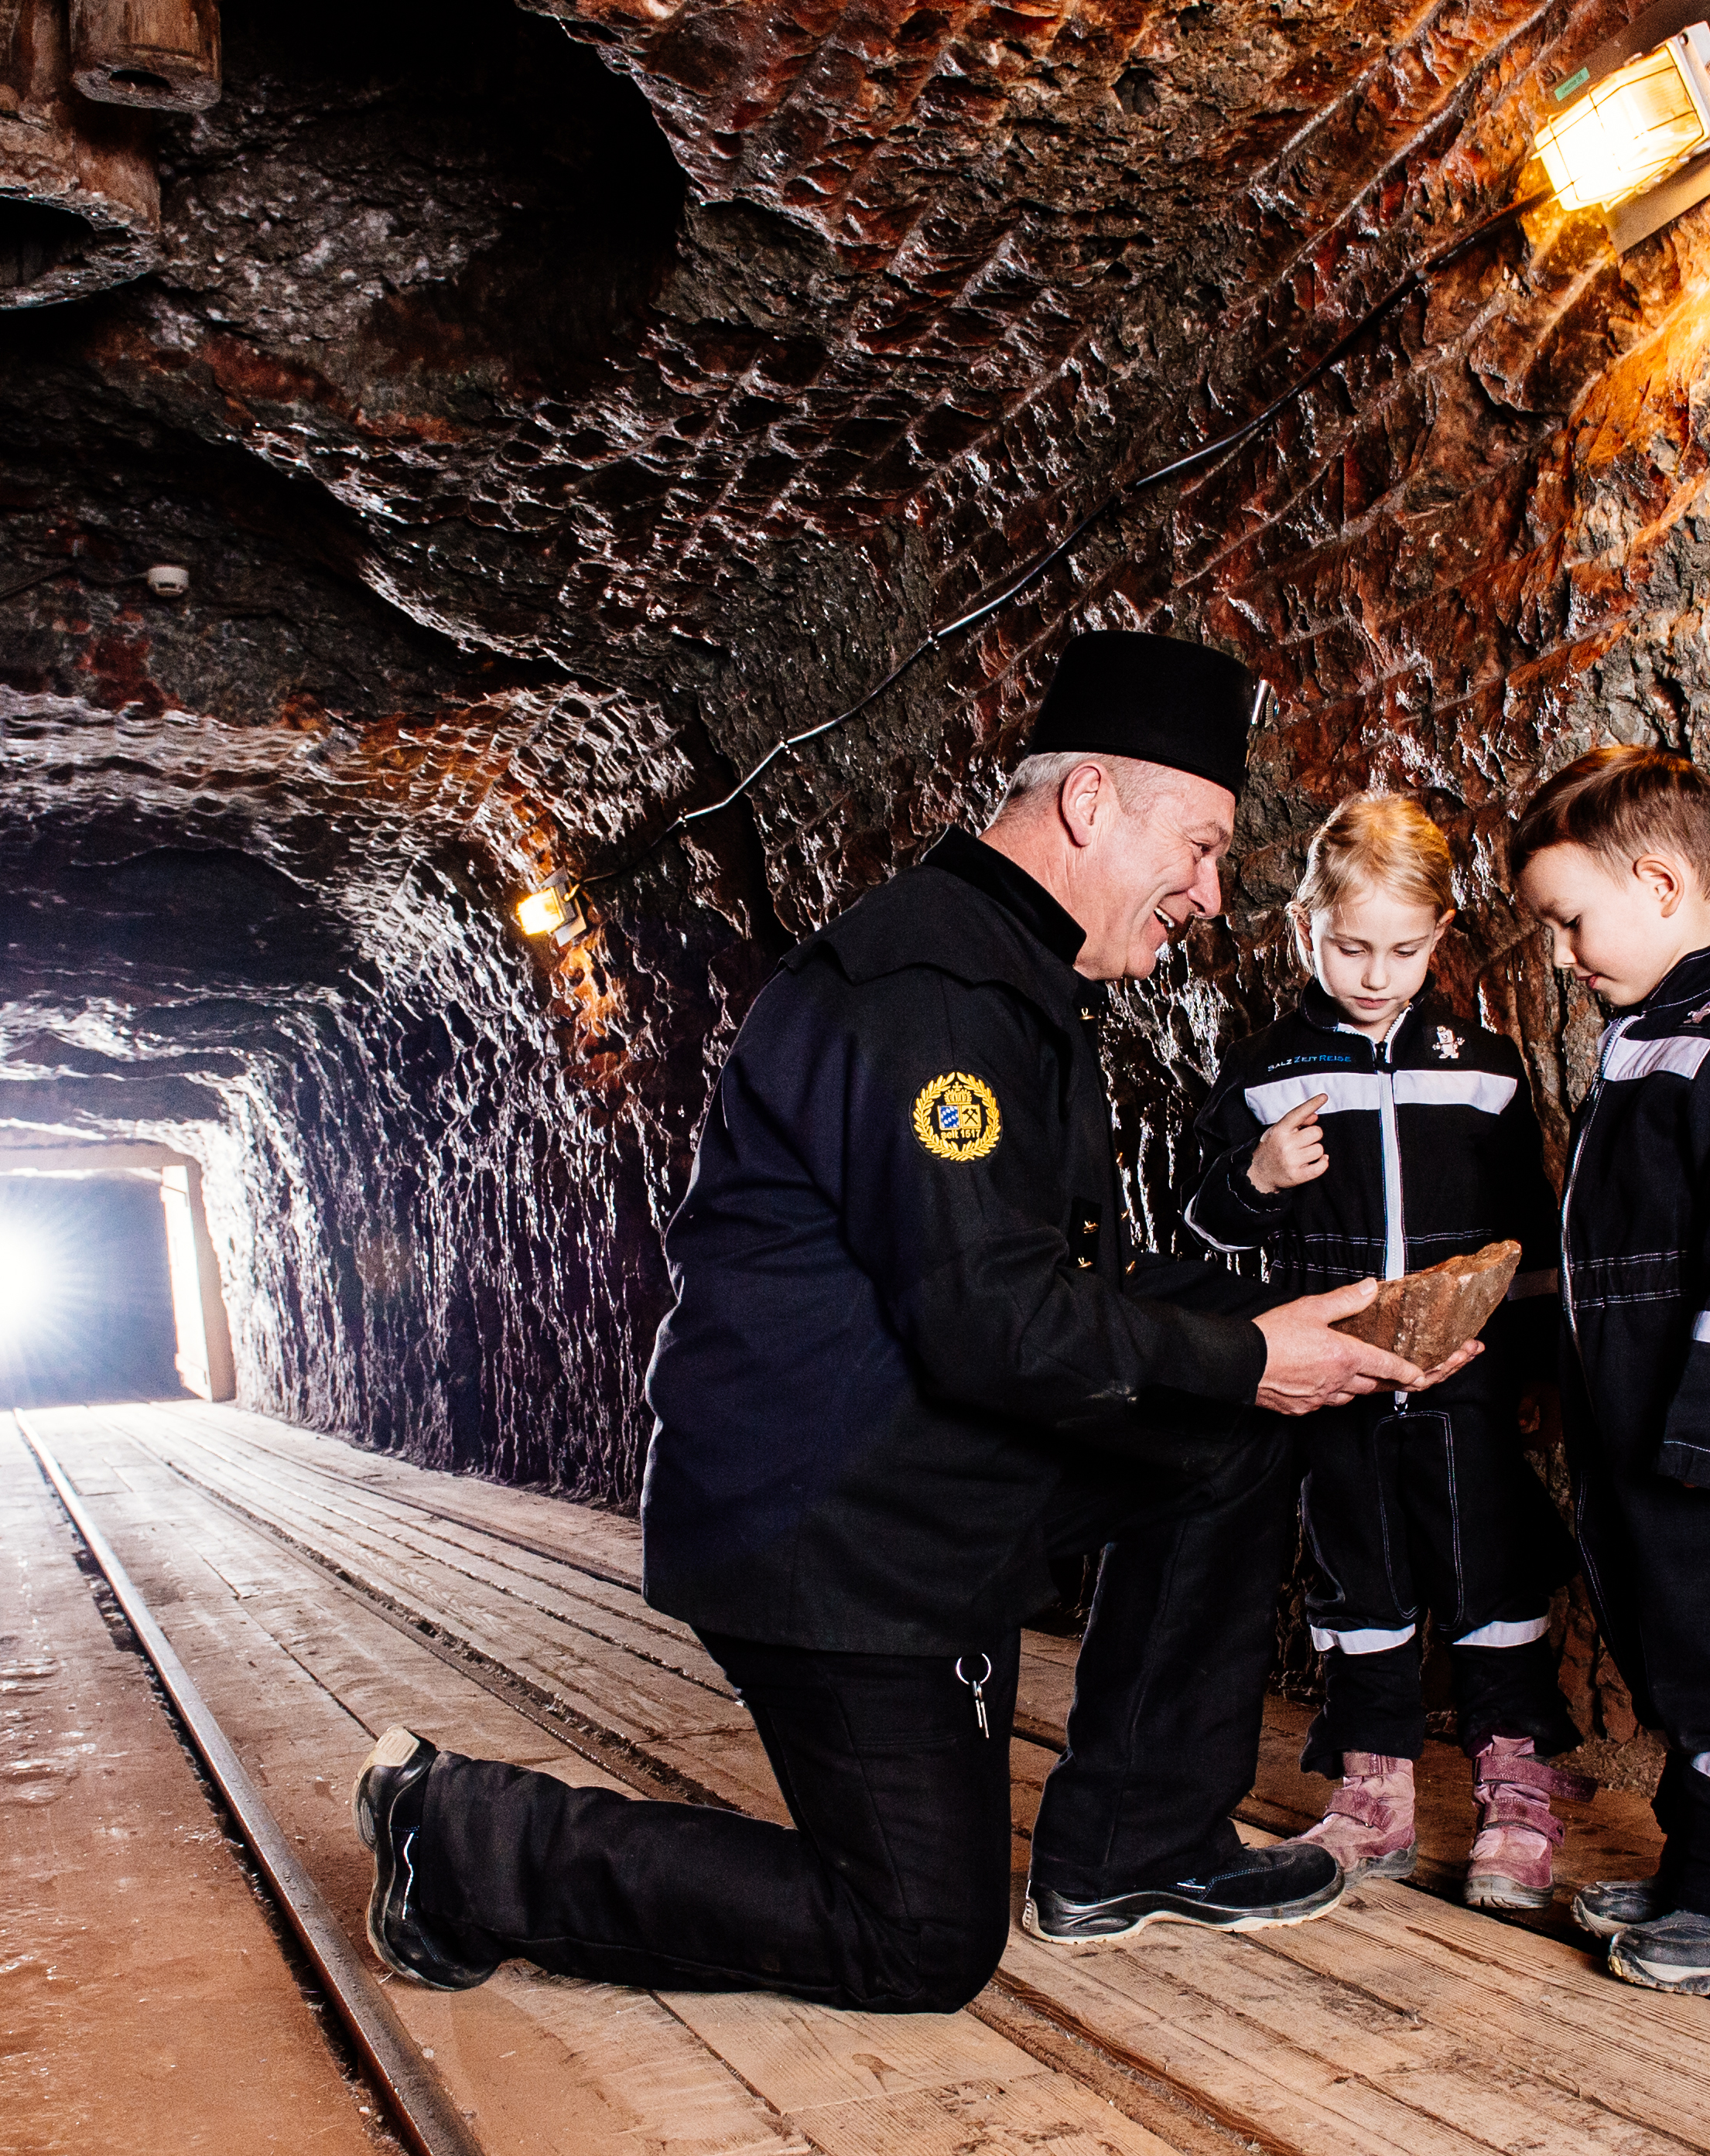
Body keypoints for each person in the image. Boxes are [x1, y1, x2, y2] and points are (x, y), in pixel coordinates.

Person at [354, 629, 1476, 2012]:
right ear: (1087, 805)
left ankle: (1132, 1843)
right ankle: (466, 1842)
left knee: (1240, 1435)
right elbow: (996, 1328)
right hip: (831, 1524)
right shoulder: (933, 998)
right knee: (919, 1942)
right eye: (1195, 847)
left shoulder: (1016, 972)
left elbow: (1057, 1299)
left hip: (935, 1464)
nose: (1206, 891)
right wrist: (1251, 1355)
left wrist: (1295, 1328)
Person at [1179, 793, 1587, 1908]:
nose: (1375, 973)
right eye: (1351, 945)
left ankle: (1514, 1791)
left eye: (1403, 950)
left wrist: (1533, 1365)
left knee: (1492, 1570)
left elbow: (1531, 1230)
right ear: (1305, 924)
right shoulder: (1268, 1073)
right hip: (1339, 1385)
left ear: (1442, 935)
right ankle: (1375, 1789)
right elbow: (1202, 1234)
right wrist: (1256, 1179)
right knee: (1359, 1577)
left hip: (1467, 1380)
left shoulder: (1488, 1069)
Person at [1507, 742, 1710, 1995]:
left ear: (1657, 883)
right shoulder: (1641, 1043)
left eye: (1570, 921)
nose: (1560, 953)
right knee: (1676, 1654)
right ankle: (1707, 1871)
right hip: (1640, 1435)